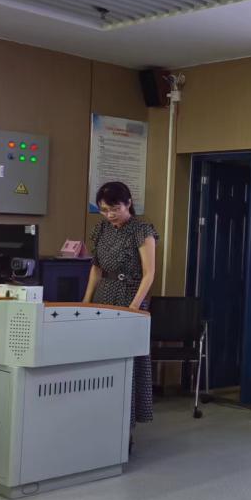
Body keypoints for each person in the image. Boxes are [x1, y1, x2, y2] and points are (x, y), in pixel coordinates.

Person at [82, 181, 158, 451]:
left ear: (128, 204)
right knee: (101, 358)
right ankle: (99, 421)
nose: (110, 215)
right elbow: (96, 268)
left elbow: (149, 273)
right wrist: (86, 300)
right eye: (104, 210)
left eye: (115, 209)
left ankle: (126, 430)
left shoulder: (141, 230)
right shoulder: (101, 229)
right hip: (105, 294)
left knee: (127, 363)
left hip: (130, 295)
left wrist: (134, 306)